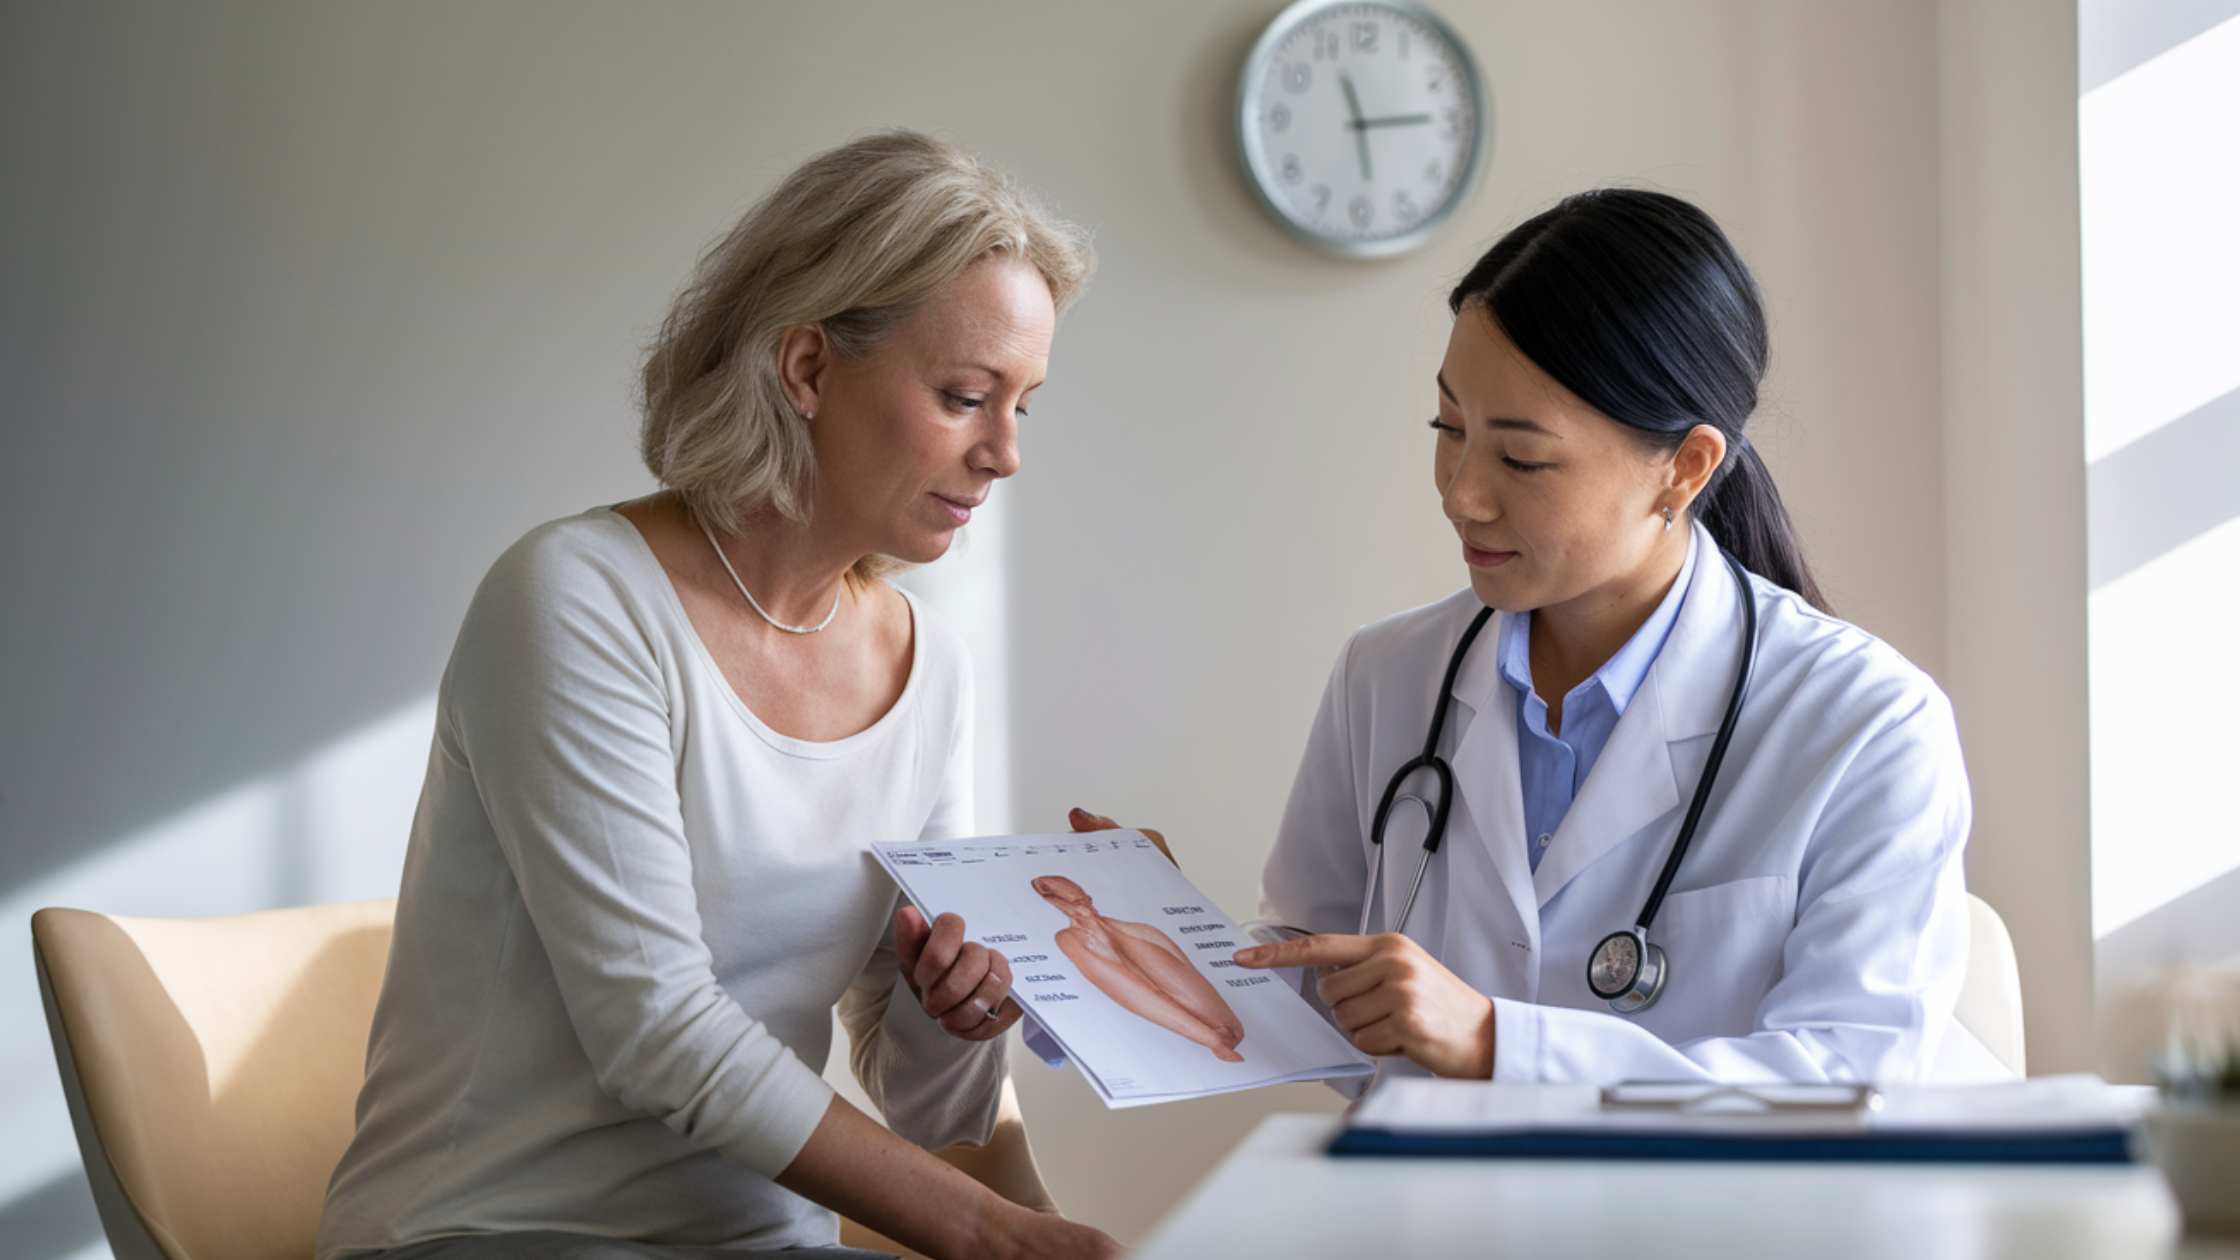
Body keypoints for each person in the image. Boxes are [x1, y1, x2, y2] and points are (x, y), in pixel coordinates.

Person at [317, 131, 1118, 1260]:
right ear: (804, 370)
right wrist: (993, 1233)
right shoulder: (577, 599)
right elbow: (655, 1032)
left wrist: (964, 1008)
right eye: (964, 396)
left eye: (1022, 406)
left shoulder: (927, 667)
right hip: (493, 1231)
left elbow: (930, 1110)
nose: (1004, 455)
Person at [1228, 189, 1982, 1085]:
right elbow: (1313, 981)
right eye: (1449, 430)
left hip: (1721, 1229)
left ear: (1686, 467)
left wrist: (1497, 1044)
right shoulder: (1386, 676)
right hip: (1437, 1216)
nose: (1462, 493)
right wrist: (1154, 943)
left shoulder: (1866, 723)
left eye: (1522, 458)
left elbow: (1848, 1079)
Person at [1031, 875, 1246, 1061]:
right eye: (1078, 901)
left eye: (1086, 899)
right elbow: (1129, 991)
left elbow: (1189, 970)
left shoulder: (1138, 930)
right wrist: (1209, 1039)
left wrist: (1213, 1038)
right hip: (1203, 1031)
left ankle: (1214, 1036)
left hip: (1225, 1025)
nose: (1087, 905)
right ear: (1055, 902)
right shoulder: (1071, 939)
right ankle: (1212, 1037)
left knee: (1232, 1032)